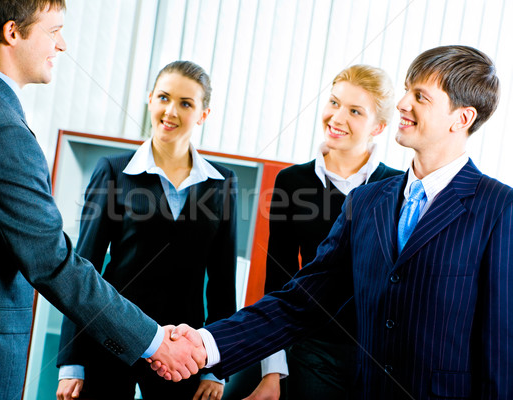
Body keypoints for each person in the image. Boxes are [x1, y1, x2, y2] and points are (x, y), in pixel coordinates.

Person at [158, 45, 513, 399]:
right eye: (406, 90)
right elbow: (301, 299)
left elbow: (500, 345)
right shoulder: (368, 201)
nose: (403, 103)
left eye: (420, 96)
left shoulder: (499, 208)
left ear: (462, 118)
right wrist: (207, 343)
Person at [0, 2, 203, 399]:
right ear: (13, 33)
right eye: (54, 31)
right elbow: (54, 262)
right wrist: (153, 340)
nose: (62, 44)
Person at [55, 60, 237, 400]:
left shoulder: (222, 183)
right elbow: (83, 269)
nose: (171, 111)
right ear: (150, 98)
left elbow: (223, 283)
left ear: (203, 114)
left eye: (186, 103)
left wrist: (216, 366)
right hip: (110, 336)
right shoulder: (113, 170)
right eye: (164, 97)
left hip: (182, 352)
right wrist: (71, 362)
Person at [242, 65, 402, 400]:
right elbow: (279, 280)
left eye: (355, 111)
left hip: (379, 354)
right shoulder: (292, 182)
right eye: (333, 102)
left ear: (379, 127)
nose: (336, 117)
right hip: (313, 349)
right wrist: (272, 372)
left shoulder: (399, 187)